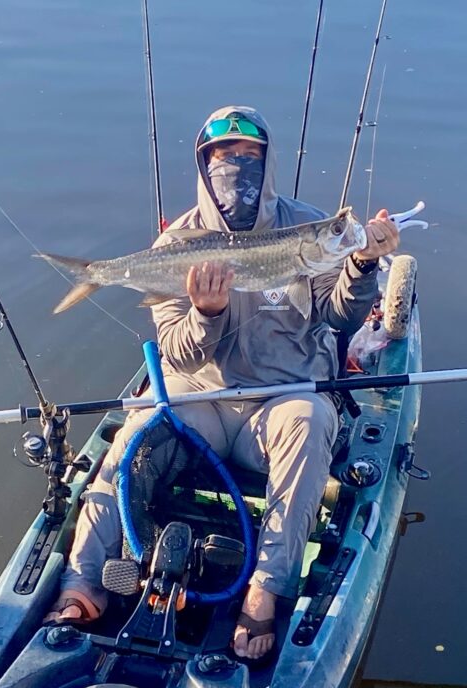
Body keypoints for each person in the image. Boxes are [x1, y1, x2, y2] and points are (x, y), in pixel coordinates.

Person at [46, 105, 398, 659]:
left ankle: (265, 590)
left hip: (284, 401)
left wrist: (359, 265)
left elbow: (338, 319)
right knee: (133, 439)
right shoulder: (177, 245)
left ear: (268, 161)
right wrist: (206, 312)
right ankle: (83, 580)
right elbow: (177, 352)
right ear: (205, 164)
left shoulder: (307, 226)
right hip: (202, 398)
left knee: (309, 425)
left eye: (249, 155)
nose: (237, 166)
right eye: (224, 156)